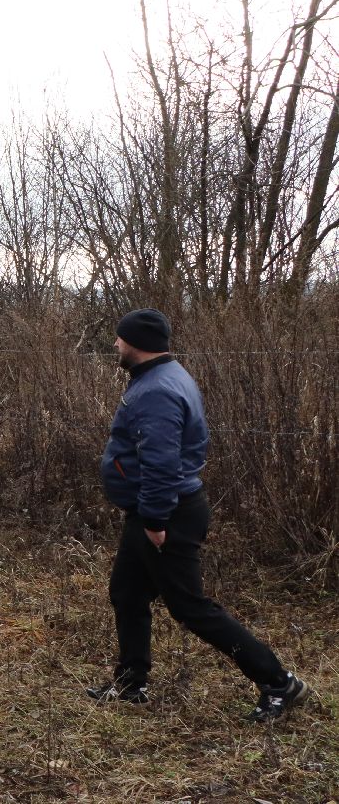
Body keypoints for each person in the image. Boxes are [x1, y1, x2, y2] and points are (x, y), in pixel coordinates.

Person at [86, 308, 310, 721]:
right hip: (153, 509)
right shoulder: (164, 376)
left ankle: (279, 682)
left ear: (136, 343)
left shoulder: (156, 390)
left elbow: (161, 462)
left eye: (120, 338)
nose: (115, 344)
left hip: (166, 513)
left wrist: (155, 520)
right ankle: (131, 683)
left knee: (190, 606)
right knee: (127, 592)